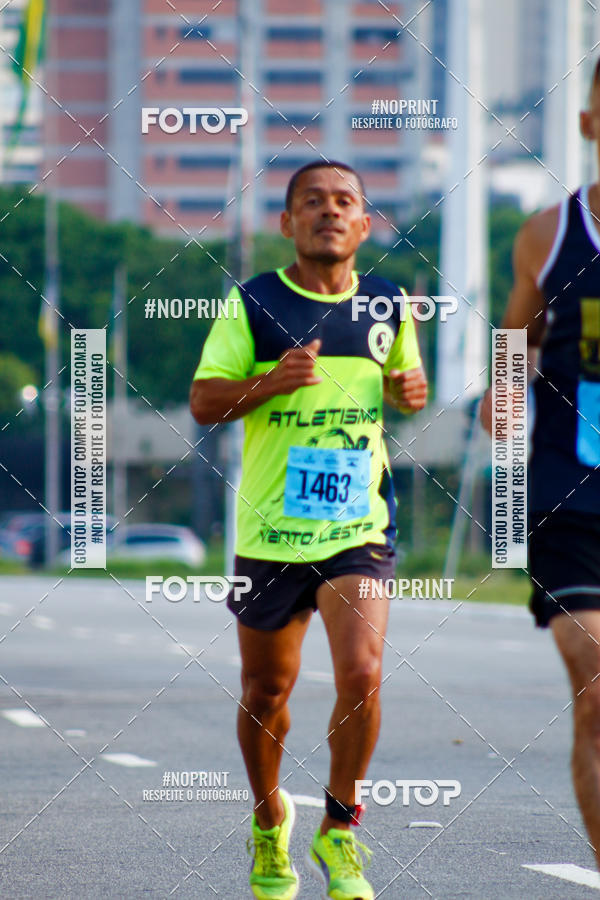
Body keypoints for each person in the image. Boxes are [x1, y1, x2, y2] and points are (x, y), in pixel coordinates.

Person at [190, 160, 427, 899]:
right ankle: (270, 822)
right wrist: (271, 381)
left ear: (365, 224)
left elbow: (405, 390)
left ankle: (339, 828)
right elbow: (203, 402)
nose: (330, 211)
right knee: (266, 690)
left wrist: (410, 391)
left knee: (362, 673)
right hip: (270, 533)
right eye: (312, 202)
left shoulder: (389, 304)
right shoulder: (253, 302)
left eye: (344, 201)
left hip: (358, 524)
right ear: (287, 222)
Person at [480, 60, 600, 867]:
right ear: (589, 124)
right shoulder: (549, 235)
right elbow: (514, 340)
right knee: (596, 690)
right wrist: (504, 388)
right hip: (572, 495)